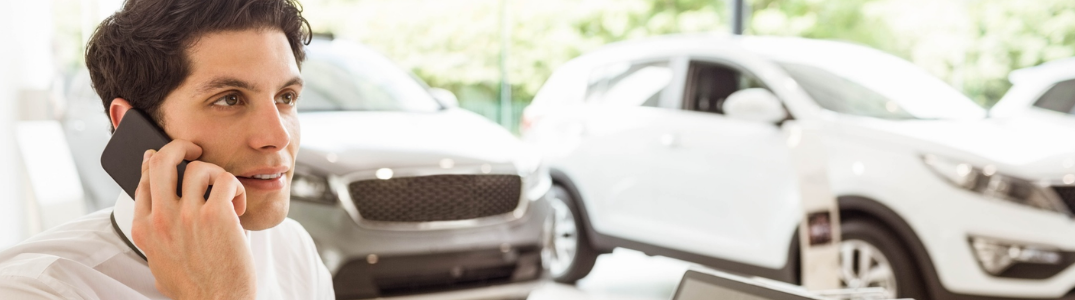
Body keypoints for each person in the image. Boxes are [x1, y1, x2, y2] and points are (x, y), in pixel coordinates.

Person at [0, 0, 335, 299]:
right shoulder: (34, 287)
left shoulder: (293, 248)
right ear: (131, 125)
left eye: (286, 97)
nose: (279, 137)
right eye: (229, 99)